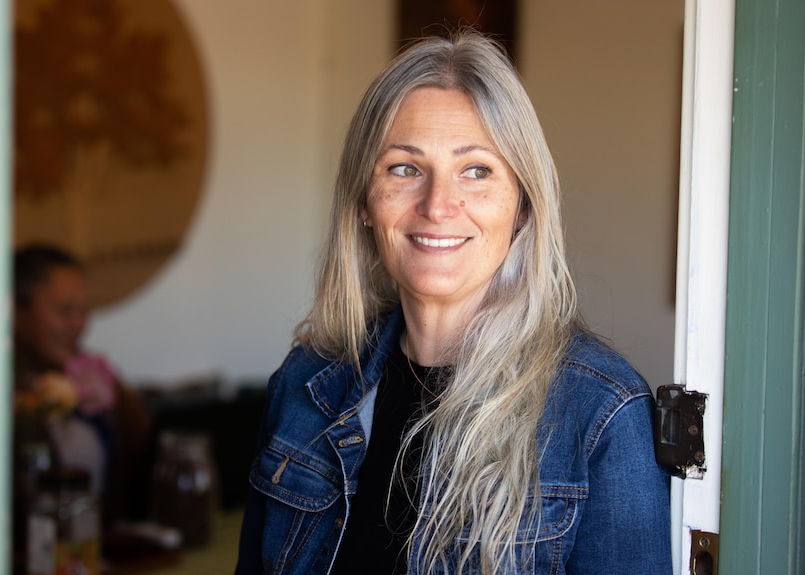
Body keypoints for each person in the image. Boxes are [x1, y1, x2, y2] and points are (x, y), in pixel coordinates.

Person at [235, 30, 672, 575]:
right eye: (404, 168)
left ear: (521, 206)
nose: (438, 205)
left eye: (476, 170)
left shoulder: (602, 416)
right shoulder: (305, 384)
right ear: (366, 202)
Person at [13, 243, 151, 523]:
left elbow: (148, 449)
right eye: (64, 310)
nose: (79, 324)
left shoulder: (90, 373)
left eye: (84, 310)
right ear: (16, 311)